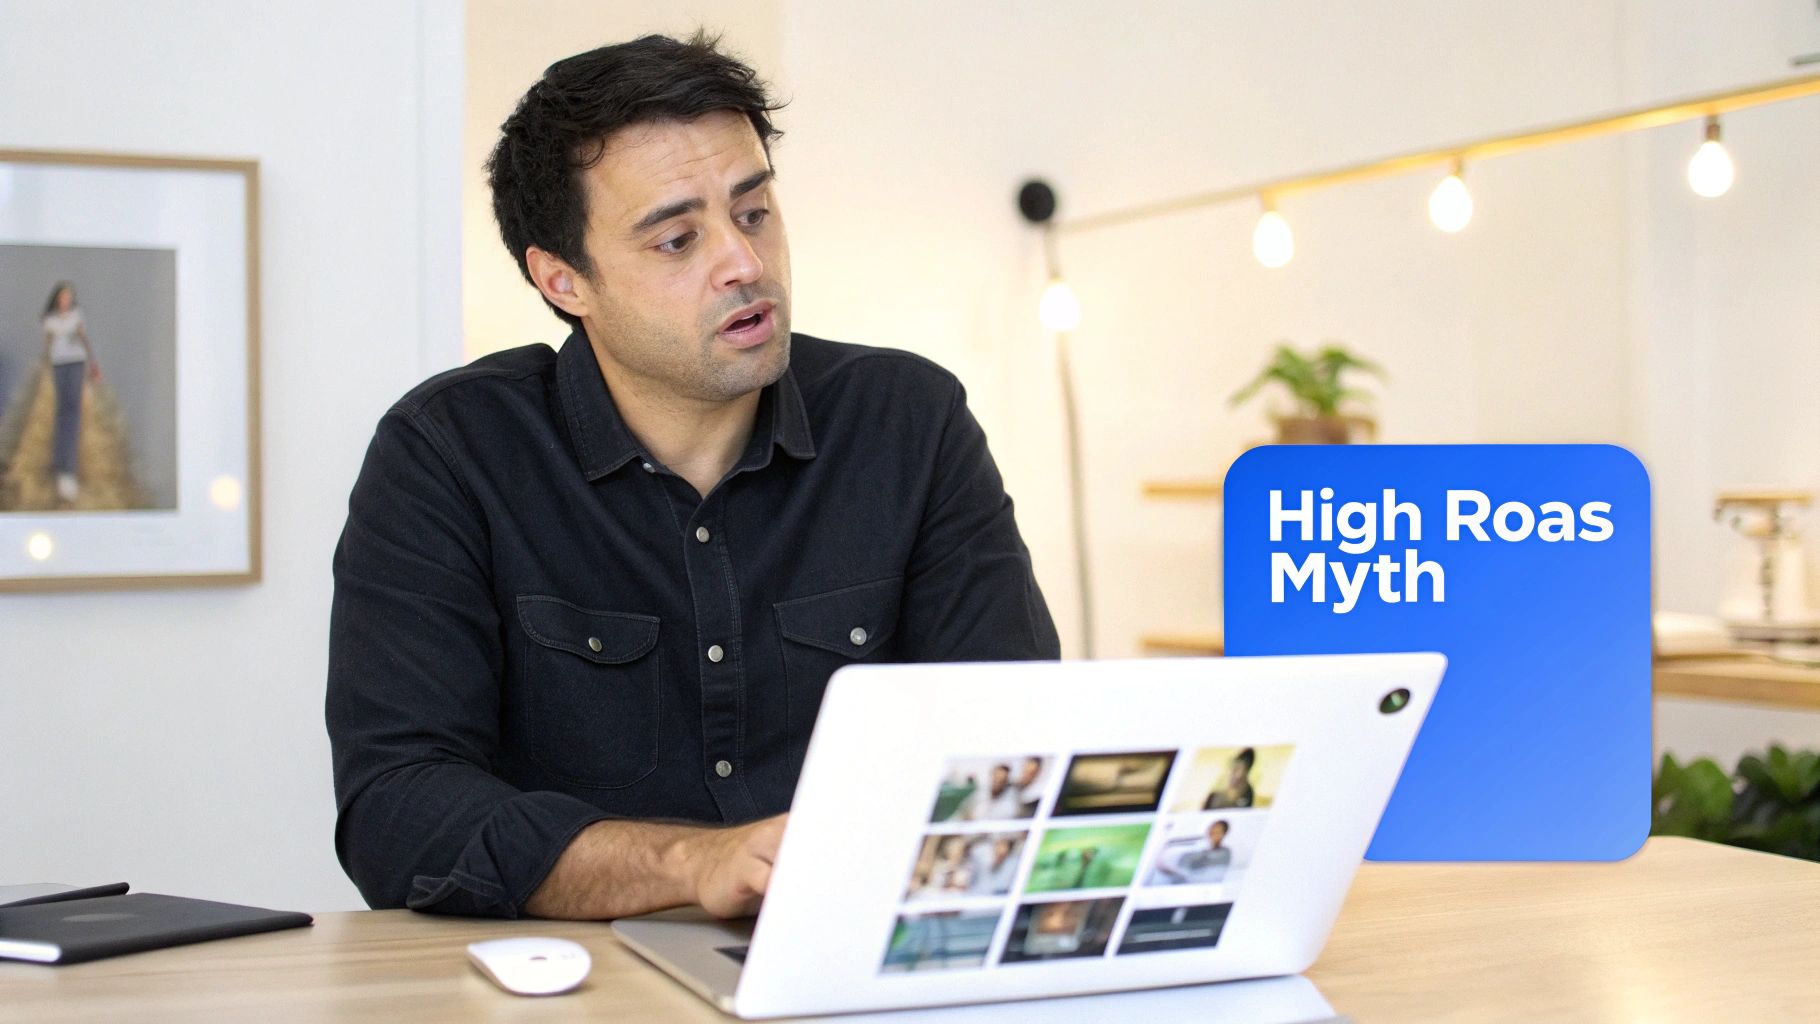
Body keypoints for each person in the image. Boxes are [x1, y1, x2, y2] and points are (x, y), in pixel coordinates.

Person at [325, 32, 1059, 922]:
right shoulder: (448, 454)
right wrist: (690, 864)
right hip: (565, 988)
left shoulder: (909, 420)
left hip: (855, 953)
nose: (744, 264)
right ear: (564, 282)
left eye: (753, 213)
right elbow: (398, 811)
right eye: (678, 239)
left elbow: (1015, 739)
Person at [39, 282, 98, 504]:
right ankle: (59, 468)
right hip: (58, 365)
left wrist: (93, 363)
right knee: (61, 415)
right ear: (56, 298)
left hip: (76, 362)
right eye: (63, 296)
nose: (66, 300)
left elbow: (84, 338)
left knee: (72, 415)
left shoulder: (76, 315)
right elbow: (47, 345)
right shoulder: (49, 320)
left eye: (69, 297)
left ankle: (69, 471)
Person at [1152, 820, 1232, 886]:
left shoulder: (1224, 853)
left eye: (1217, 831)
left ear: (1223, 834)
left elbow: (1196, 866)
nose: (1213, 832)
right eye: (1212, 829)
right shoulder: (1198, 844)